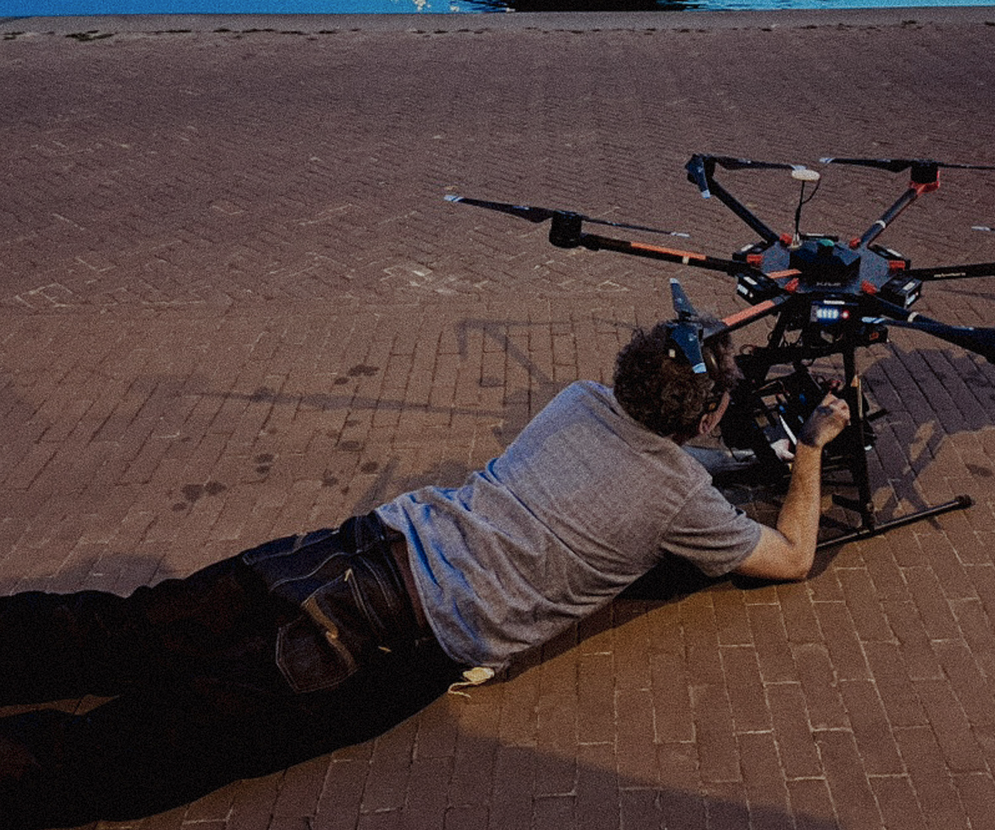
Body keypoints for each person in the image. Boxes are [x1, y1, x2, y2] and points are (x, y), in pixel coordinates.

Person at [0, 321, 850, 829]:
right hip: (379, 642)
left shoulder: (581, 400)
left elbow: (649, 458)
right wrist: (805, 452)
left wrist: (722, 454)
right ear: (703, 414)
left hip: (348, 548)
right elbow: (790, 556)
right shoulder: (681, 500)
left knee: (128, 626)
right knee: (155, 741)